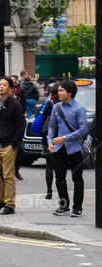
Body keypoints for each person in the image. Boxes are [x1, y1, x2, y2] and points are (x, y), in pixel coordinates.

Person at [47, 79, 88, 217]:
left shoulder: (79, 109)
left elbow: (83, 130)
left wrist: (64, 138)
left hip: (75, 148)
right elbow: (52, 127)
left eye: (61, 90)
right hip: (59, 148)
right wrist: (50, 142)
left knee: (77, 178)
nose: (58, 93)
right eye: (58, 90)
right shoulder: (56, 107)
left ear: (70, 92)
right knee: (59, 177)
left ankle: (77, 207)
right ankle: (64, 206)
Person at [0, 77, 25, 215]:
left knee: (8, 176)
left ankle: (10, 205)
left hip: (8, 145)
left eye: (4, 85)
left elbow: (21, 125)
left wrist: (14, 144)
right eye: (0, 84)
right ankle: (1, 200)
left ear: (10, 88)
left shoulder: (15, 104)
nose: (1, 87)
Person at [35, 84, 59, 200]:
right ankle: (61, 189)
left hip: (47, 134)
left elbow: (38, 115)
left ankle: (49, 191)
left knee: (49, 164)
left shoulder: (49, 103)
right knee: (60, 164)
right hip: (60, 135)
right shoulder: (65, 102)